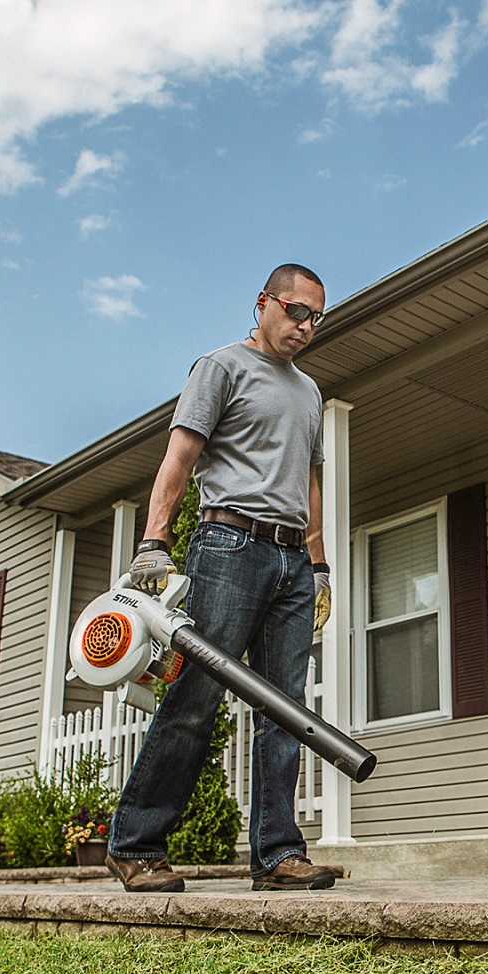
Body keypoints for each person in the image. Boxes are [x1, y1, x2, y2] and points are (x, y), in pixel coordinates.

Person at [105, 263, 337, 893]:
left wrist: (316, 563)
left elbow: (309, 482)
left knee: (284, 709)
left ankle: (277, 854)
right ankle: (135, 844)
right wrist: (154, 540)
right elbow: (179, 455)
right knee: (194, 698)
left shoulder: (311, 392)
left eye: (317, 316)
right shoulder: (221, 367)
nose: (306, 325)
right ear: (264, 302)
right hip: (229, 544)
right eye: (296, 310)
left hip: (291, 560)